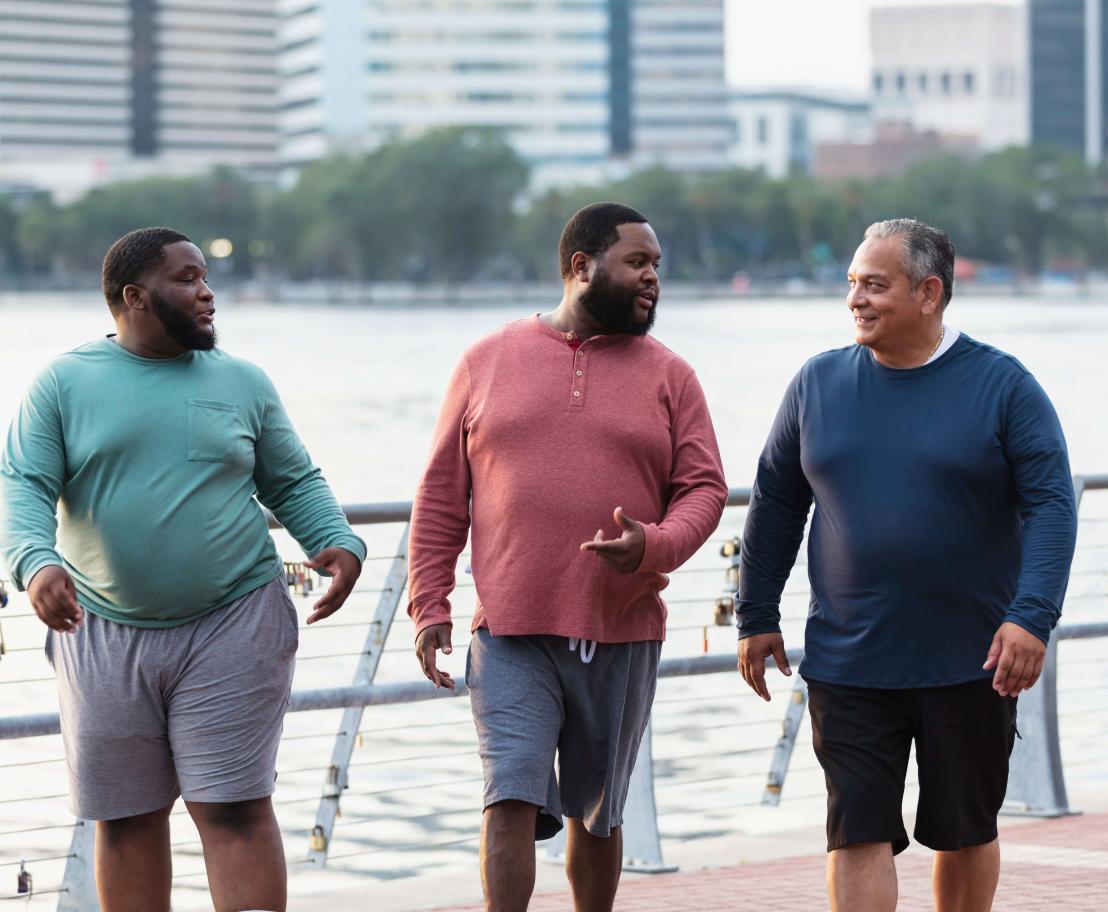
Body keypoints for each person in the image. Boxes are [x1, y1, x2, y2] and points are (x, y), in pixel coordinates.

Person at [0, 227, 366, 912]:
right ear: (134, 296)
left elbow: (292, 480)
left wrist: (337, 542)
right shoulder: (61, 383)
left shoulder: (242, 381)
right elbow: (22, 485)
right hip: (101, 631)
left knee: (233, 809)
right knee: (128, 818)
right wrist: (35, 562)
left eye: (205, 276)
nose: (208, 292)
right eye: (188, 279)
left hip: (235, 620)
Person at [735, 218, 1077, 912]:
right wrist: (756, 613)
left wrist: (1031, 617)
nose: (856, 298)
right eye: (853, 283)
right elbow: (774, 501)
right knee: (855, 832)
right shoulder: (817, 383)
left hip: (973, 660)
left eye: (875, 285)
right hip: (849, 659)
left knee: (963, 831)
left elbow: (1052, 506)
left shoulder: (1003, 386)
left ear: (929, 292)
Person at [408, 202, 727, 911]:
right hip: (512, 630)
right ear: (581, 267)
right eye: (636, 263)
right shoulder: (485, 361)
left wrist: (655, 546)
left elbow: (703, 489)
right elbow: (438, 495)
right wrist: (430, 604)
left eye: (656, 267)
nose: (652, 279)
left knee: (598, 812)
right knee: (509, 794)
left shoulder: (671, 375)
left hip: (622, 629)